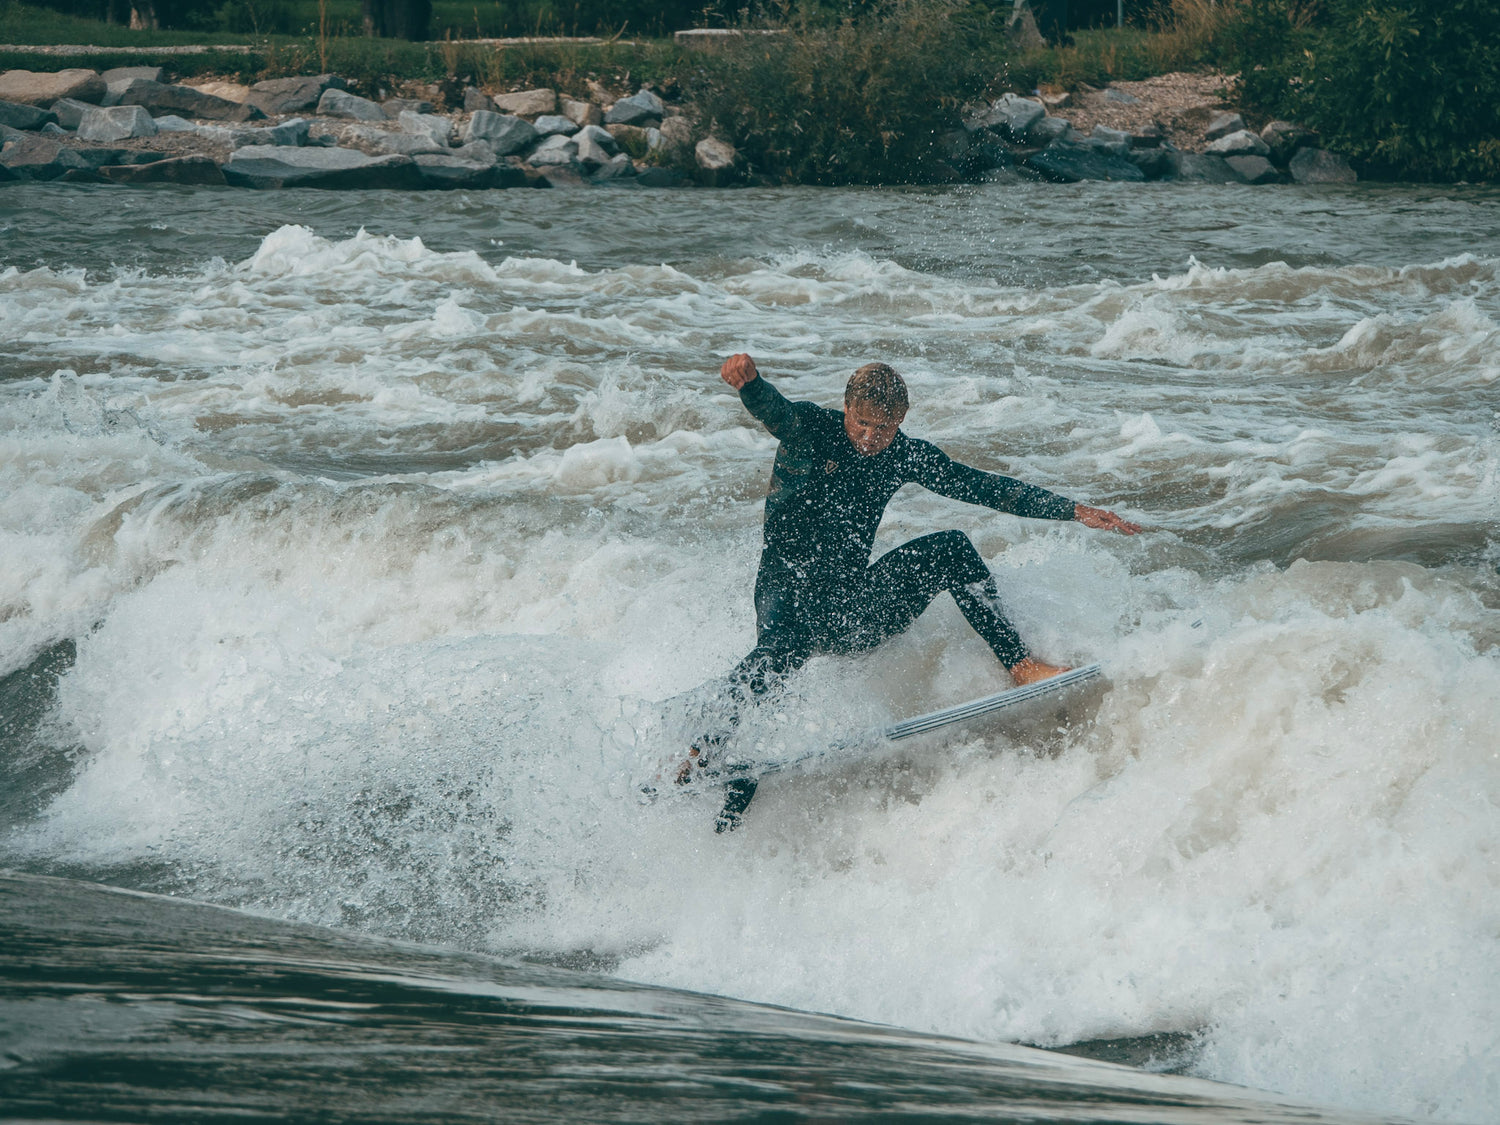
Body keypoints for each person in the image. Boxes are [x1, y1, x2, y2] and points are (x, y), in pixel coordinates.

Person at [684, 353, 1140, 830]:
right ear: (846, 408)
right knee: (780, 648)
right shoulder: (809, 429)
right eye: (861, 423)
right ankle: (703, 750)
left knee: (952, 549)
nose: (869, 438)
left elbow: (980, 486)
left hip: (853, 609)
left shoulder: (902, 453)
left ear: (900, 421)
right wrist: (750, 384)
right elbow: (775, 410)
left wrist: (1071, 509)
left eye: (883, 428)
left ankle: (1021, 666)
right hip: (786, 596)